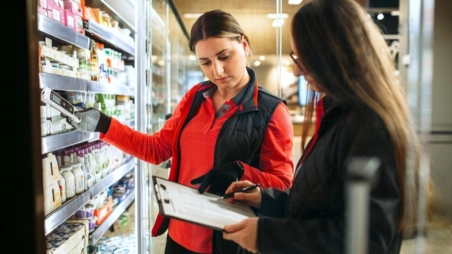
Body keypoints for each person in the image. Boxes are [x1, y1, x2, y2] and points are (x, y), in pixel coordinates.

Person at [66, 9, 294, 254]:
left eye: (224, 56)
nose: (217, 71)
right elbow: (156, 150)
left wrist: (240, 171)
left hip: (229, 243)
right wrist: (102, 124)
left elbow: (282, 185)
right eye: (205, 62)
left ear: (245, 45)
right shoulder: (195, 97)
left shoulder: (272, 111)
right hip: (178, 238)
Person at [220, 0, 425, 253]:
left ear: (335, 55)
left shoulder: (368, 126)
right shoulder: (340, 115)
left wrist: (270, 235)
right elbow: (320, 201)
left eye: (303, 58)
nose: (296, 71)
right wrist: (265, 198)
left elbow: (369, 241)